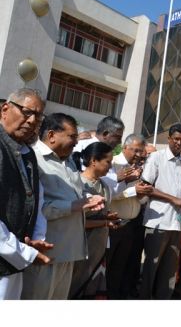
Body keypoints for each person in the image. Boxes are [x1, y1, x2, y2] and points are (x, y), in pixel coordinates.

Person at [22, 113, 105, 300]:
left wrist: (89, 200)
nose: (76, 142)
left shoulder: (68, 161)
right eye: (72, 136)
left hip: (69, 250)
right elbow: (33, 208)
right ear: (51, 135)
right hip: (46, 250)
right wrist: (75, 205)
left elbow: (76, 194)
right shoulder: (33, 159)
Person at [0, 88, 53, 300]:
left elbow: (34, 198)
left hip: (13, 259)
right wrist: (25, 253)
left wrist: (35, 238)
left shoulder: (26, 152)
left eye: (38, 117)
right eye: (27, 112)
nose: (32, 121)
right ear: (5, 109)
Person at [140, 123, 181, 299]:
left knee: (169, 270)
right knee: (151, 267)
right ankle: (145, 300)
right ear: (169, 139)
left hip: (176, 223)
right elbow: (146, 187)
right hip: (158, 222)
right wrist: (174, 199)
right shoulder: (156, 158)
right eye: (176, 139)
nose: (178, 142)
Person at [106, 134, 153, 299]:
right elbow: (109, 193)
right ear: (125, 147)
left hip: (131, 225)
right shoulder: (113, 163)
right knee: (108, 266)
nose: (139, 154)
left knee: (122, 267)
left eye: (141, 151)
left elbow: (139, 196)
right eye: (136, 150)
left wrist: (141, 194)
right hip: (114, 224)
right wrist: (132, 188)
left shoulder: (137, 167)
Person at [70, 142, 118, 299]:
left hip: (98, 250)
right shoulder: (78, 183)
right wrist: (104, 223)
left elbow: (100, 214)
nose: (110, 167)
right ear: (93, 161)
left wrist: (108, 217)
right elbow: (75, 222)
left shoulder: (105, 186)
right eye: (108, 162)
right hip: (80, 251)